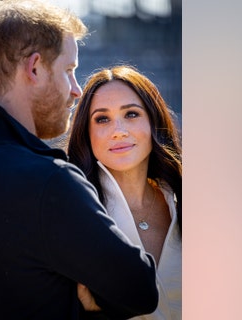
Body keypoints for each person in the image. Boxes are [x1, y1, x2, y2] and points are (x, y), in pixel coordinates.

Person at [0, 1, 159, 319]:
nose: (77, 91)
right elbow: (141, 292)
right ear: (35, 68)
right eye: (69, 71)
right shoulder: (49, 183)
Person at [68, 66, 182, 320]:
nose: (118, 130)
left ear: (154, 121)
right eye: (102, 119)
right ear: (87, 132)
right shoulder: (70, 213)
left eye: (131, 114)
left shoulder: (189, 201)